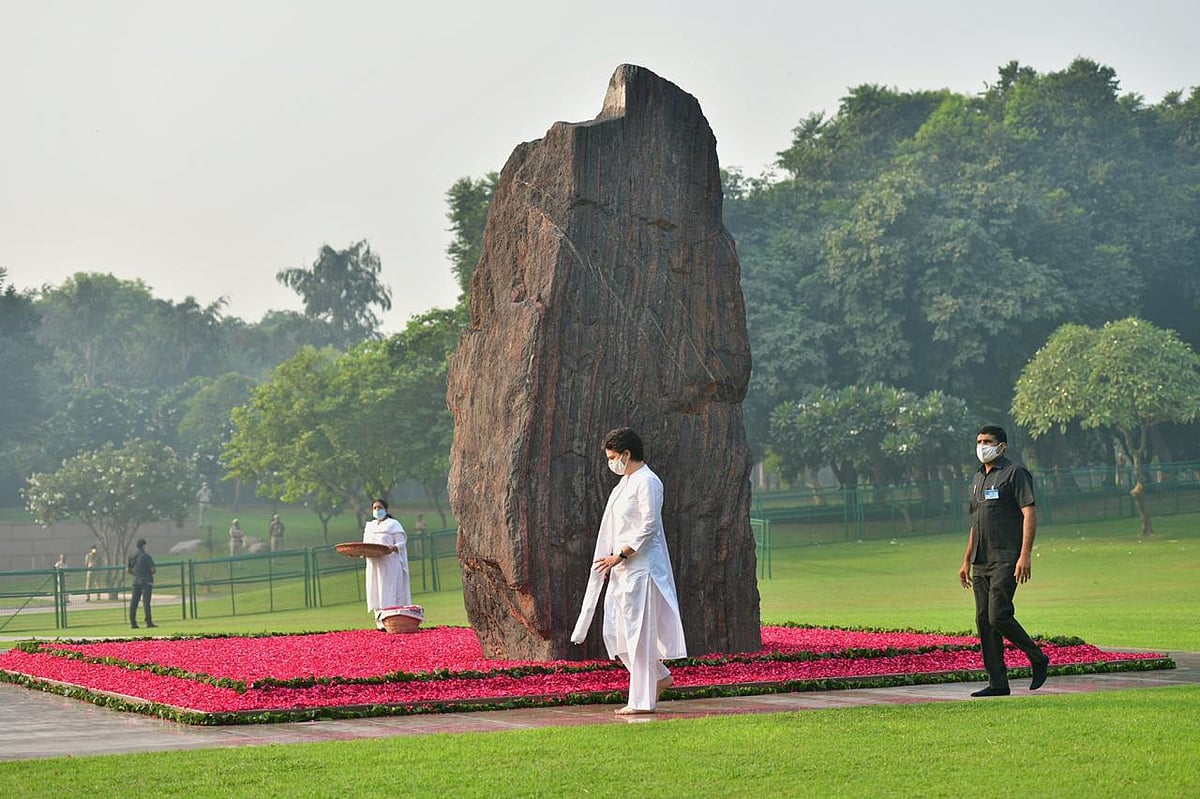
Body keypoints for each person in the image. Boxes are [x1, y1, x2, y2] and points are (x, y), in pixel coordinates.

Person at [571, 427, 686, 715]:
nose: (611, 463)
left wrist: (621, 554)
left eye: (613, 457)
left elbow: (649, 525)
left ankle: (642, 701)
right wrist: (613, 559)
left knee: (639, 634)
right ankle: (659, 676)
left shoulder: (648, 481)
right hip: (621, 570)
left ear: (626, 454)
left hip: (641, 569)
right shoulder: (623, 485)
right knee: (615, 633)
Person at [959, 425, 1050, 697]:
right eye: (979, 441)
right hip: (980, 560)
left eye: (987, 441)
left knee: (998, 614)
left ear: (1002, 446)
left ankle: (1037, 657)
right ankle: (997, 683)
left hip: (1006, 557)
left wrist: (1025, 554)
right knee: (984, 620)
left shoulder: (1015, 473)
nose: (982, 446)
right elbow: (976, 522)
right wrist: (966, 560)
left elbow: (1029, 513)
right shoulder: (978, 478)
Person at [362, 499, 410, 631]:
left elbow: (401, 543)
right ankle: (379, 622)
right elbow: (365, 545)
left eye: (380, 507)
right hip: (374, 564)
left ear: (385, 509)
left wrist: (392, 548)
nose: (377, 510)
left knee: (389, 590)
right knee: (375, 590)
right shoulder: (370, 526)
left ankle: (392, 621)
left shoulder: (393, 524)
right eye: (374, 508)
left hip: (390, 564)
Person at [127, 538, 157, 629]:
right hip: (146, 581)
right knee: (146, 603)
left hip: (136, 581)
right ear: (144, 546)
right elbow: (153, 570)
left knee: (134, 602)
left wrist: (136, 574)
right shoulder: (146, 556)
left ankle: (133, 622)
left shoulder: (132, 556)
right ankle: (148, 622)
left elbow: (128, 570)